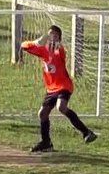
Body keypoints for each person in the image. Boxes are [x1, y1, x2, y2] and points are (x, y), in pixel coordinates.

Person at [21, 25, 98, 153]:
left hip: (64, 85)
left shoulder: (59, 50)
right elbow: (24, 46)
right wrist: (36, 42)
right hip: (51, 89)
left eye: (55, 35)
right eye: (50, 34)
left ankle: (86, 132)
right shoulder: (43, 50)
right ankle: (46, 143)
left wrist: (56, 45)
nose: (52, 37)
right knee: (42, 113)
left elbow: (59, 50)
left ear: (59, 39)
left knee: (61, 107)